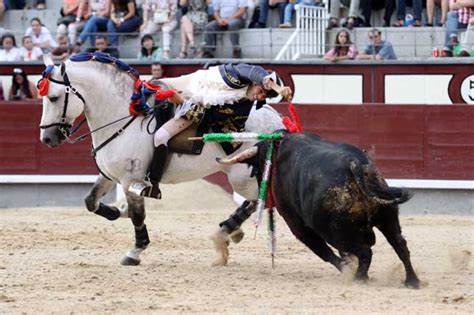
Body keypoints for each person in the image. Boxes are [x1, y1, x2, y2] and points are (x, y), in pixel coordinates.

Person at [130, 63, 292, 198]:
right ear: (256, 83)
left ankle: (153, 183)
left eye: (264, 97)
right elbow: (256, 73)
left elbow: (209, 117)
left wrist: (181, 102)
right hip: (192, 84)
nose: (259, 96)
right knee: (153, 87)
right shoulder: (236, 75)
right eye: (261, 91)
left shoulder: (243, 108)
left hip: (192, 105)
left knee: (161, 136)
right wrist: (278, 88)